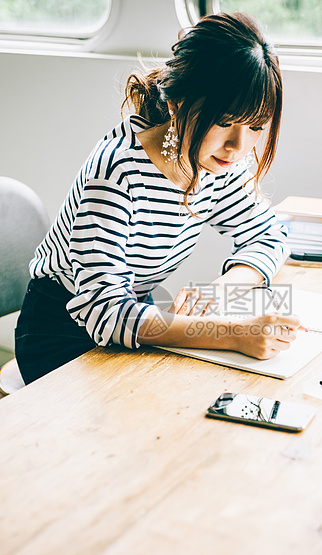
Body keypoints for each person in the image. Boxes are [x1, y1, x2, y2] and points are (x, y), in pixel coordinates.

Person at [15, 12, 302, 385]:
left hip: (134, 316)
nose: (238, 146)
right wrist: (230, 333)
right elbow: (105, 310)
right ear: (177, 104)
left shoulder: (220, 164)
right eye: (224, 121)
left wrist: (221, 291)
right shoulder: (117, 171)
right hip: (62, 331)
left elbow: (270, 235)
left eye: (256, 127)